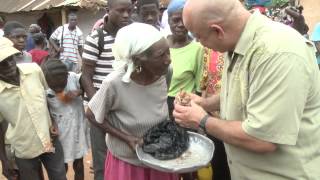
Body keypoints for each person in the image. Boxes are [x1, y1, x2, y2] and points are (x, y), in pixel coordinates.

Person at [173, 0, 320, 179]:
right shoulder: (236, 41)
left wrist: (201, 119)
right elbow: (242, 89)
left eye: (200, 37)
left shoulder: (277, 53)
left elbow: (262, 139)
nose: (200, 44)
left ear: (217, 30)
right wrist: (204, 103)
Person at [86, 22, 177, 180]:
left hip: (161, 158)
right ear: (138, 60)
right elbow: (91, 115)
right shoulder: (114, 83)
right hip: (128, 164)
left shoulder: (165, 73)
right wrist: (127, 138)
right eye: (161, 55)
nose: (168, 60)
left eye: (168, 52)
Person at [0, 37, 67, 180]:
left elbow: (45, 97)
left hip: (49, 139)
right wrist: (4, 161)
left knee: (60, 176)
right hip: (24, 147)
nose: (9, 65)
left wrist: (53, 122)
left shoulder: (34, 70)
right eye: (2, 63)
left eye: (10, 59)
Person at [81, 0, 132, 179]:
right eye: (121, 11)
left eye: (129, 11)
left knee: (126, 156)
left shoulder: (132, 36)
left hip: (125, 108)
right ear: (108, 10)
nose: (126, 15)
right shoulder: (96, 38)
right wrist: (98, 106)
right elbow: (85, 76)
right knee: (102, 161)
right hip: (100, 110)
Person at [41, 59, 90, 180]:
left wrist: (79, 91)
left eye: (61, 85)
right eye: (54, 87)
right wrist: (52, 122)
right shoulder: (43, 87)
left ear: (67, 75)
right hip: (58, 133)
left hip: (76, 130)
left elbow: (88, 85)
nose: (58, 89)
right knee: (60, 167)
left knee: (78, 165)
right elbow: (44, 108)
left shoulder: (74, 78)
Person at [166, 0, 203, 120]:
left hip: (182, 107)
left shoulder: (198, 49)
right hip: (158, 104)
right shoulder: (161, 44)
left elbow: (199, 87)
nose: (181, 24)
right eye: (176, 20)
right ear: (168, 21)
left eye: (184, 20)